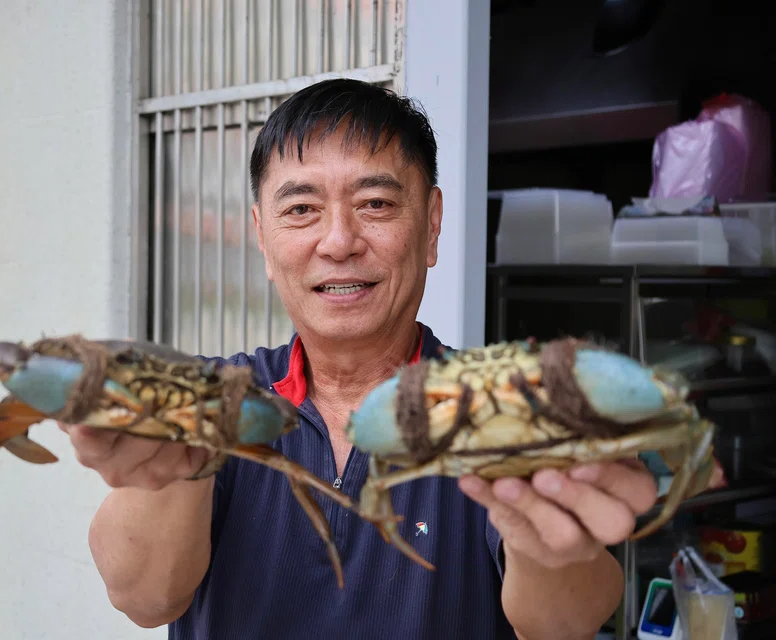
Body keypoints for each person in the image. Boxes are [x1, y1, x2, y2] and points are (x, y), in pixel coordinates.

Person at [60, 78, 659, 639]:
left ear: (430, 225)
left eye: (375, 203)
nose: (339, 241)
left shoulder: (498, 408)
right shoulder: (209, 397)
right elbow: (143, 598)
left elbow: (563, 622)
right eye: (301, 209)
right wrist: (177, 464)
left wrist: (544, 537)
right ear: (263, 238)